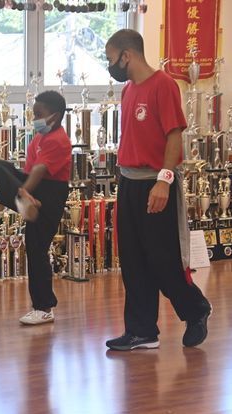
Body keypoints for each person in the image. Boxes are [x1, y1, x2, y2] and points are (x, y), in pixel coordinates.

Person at [105, 29, 211, 351]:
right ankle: (141, 331)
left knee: (162, 260)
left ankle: (196, 310)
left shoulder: (163, 85)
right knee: (133, 260)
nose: (109, 65)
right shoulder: (127, 90)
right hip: (129, 183)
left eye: (111, 59)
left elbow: (174, 136)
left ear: (127, 55)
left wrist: (164, 181)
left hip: (156, 183)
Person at [0, 90, 71, 325]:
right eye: (33, 113)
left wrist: (25, 189)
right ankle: (25, 202)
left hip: (49, 193)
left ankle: (44, 307)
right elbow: (31, 168)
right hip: (34, 190)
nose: (34, 118)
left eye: (39, 114)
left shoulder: (58, 140)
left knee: (37, 249)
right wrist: (23, 188)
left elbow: (40, 170)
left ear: (54, 117)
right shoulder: (40, 137)